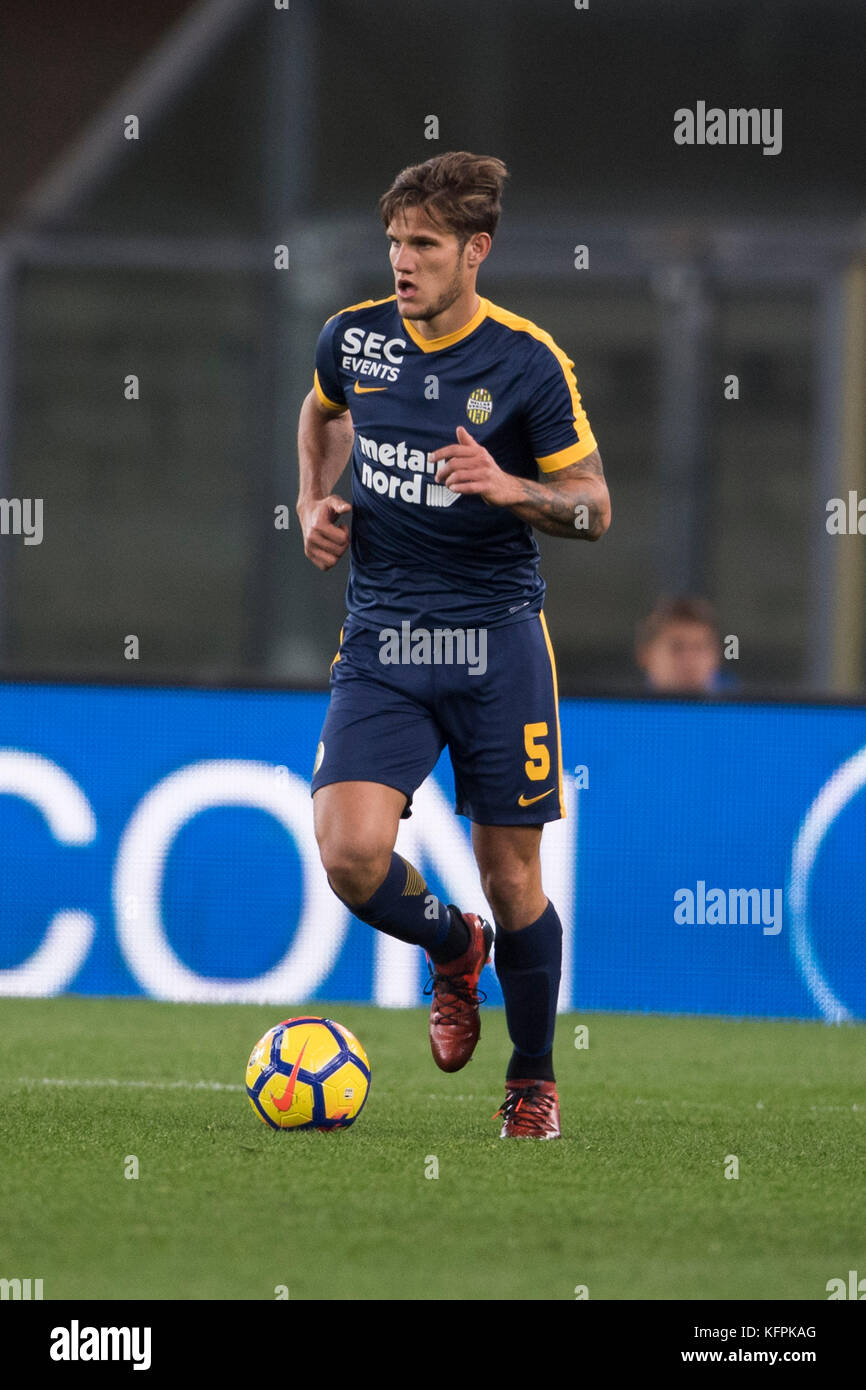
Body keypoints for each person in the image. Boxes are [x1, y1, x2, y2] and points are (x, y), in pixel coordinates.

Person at [296, 151, 610, 1138]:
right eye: (394, 241)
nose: (402, 261)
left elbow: (594, 510)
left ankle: (529, 1080)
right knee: (350, 855)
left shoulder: (526, 363)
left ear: (474, 251)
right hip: (384, 633)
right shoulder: (352, 339)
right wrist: (313, 501)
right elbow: (320, 415)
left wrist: (512, 487)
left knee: (512, 878)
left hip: (496, 644)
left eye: (423, 244)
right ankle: (450, 947)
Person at [635, 596, 724, 694]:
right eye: (677, 648)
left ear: (717, 656)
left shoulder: (739, 705)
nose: (690, 659)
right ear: (645, 656)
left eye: (699, 648)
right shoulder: (625, 705)